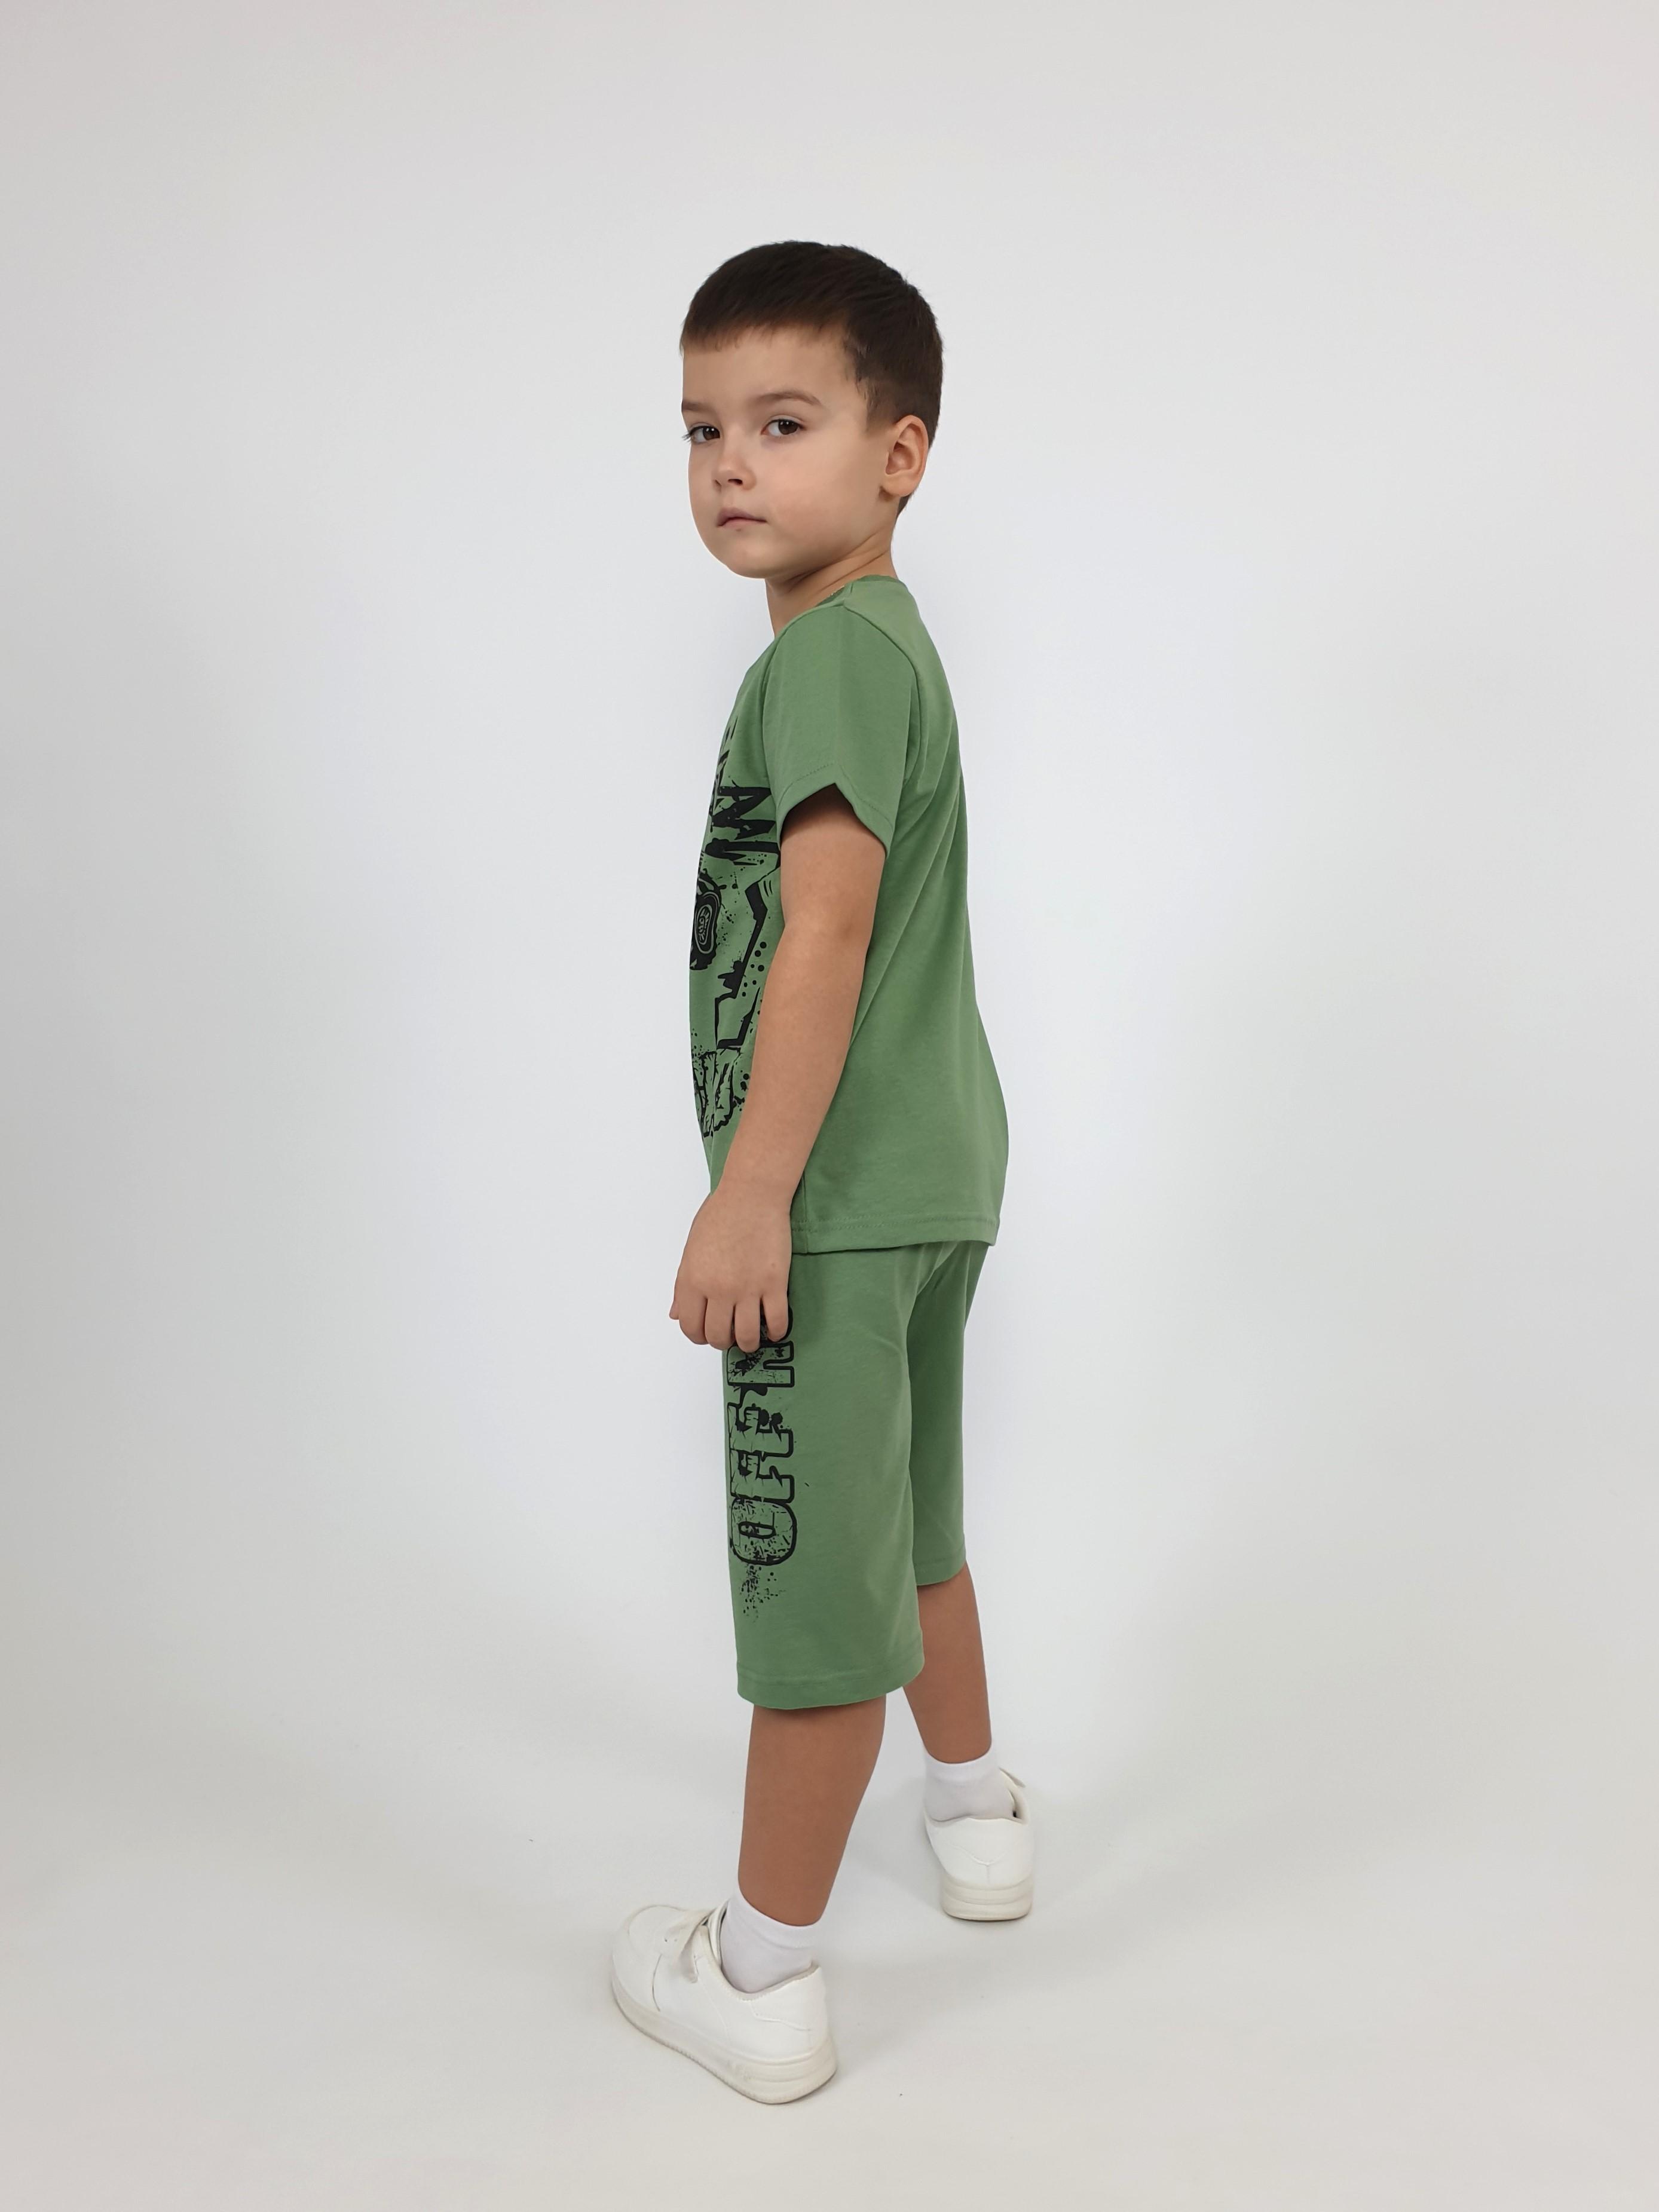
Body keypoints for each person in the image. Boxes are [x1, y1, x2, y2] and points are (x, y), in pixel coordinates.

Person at [610, 240, 1033, 2104]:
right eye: (702, 428)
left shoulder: (835, 662)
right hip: (935, 1173)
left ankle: (761, 1974)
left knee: (814, 1588)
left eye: (784, 423)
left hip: (840, 1206)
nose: (731, 464)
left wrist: (753, 1193)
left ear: (899, 453)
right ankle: (976, 1814)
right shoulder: (878, 641)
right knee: (915, 1521)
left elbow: (828, 933)